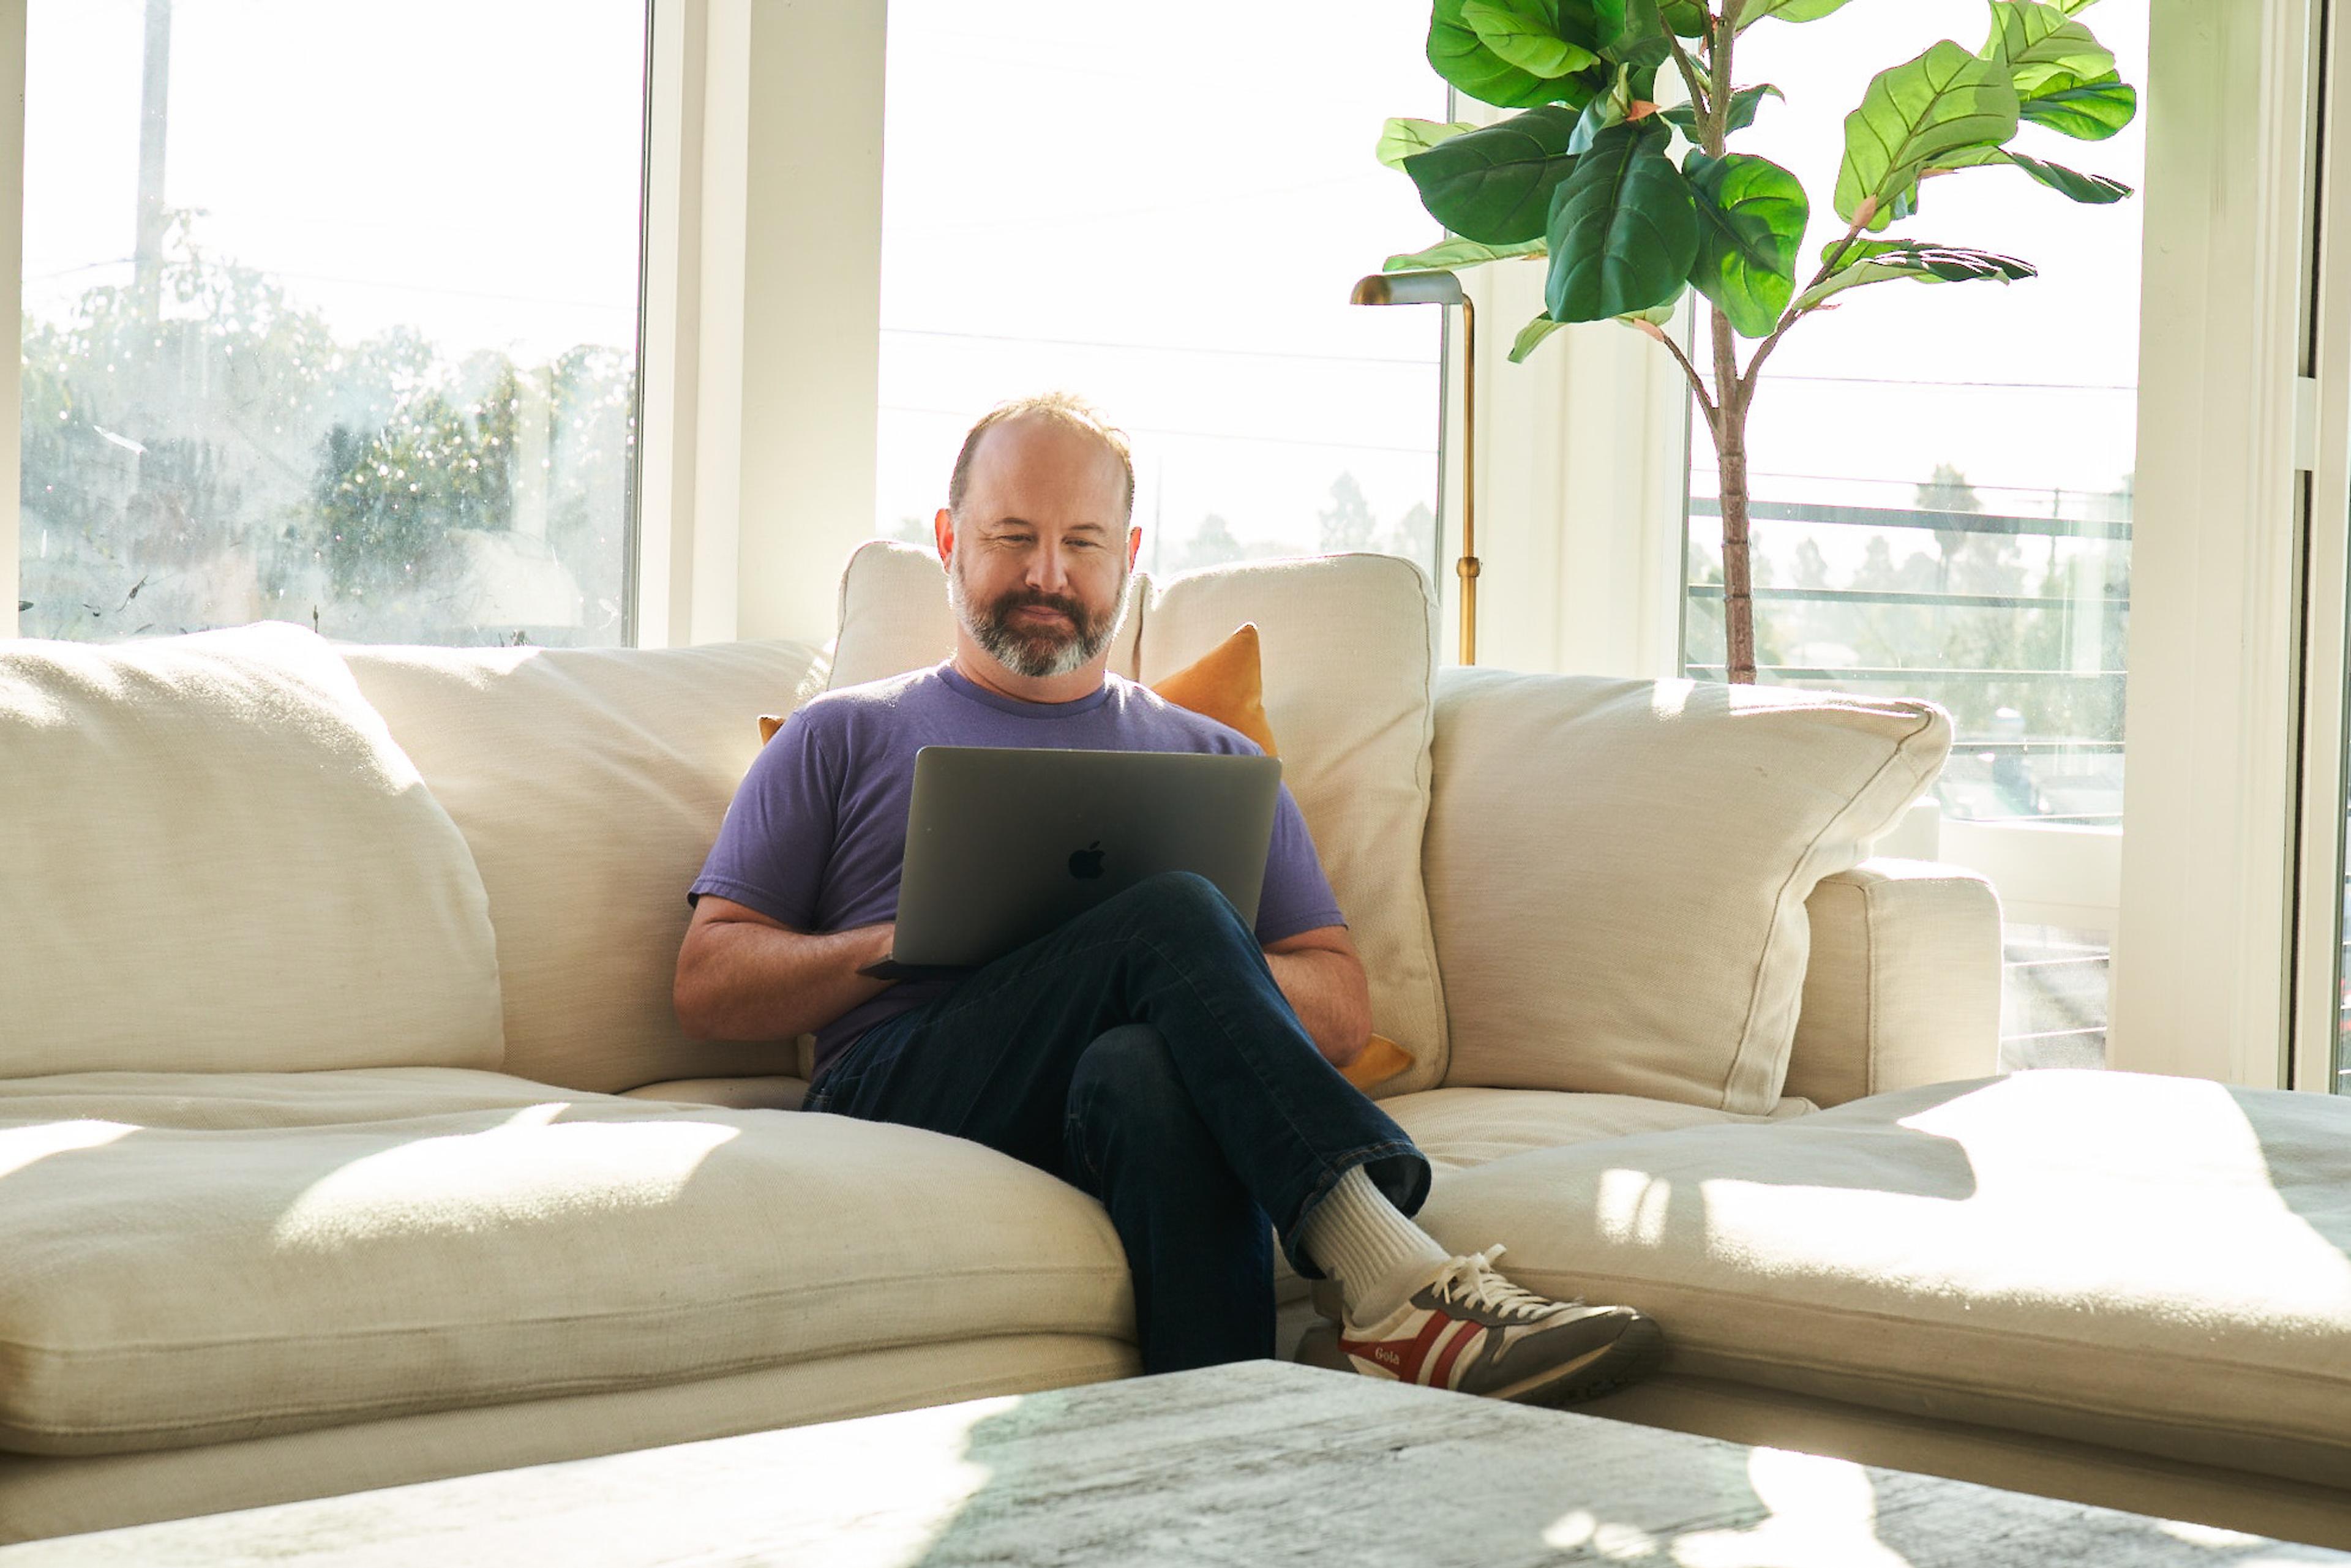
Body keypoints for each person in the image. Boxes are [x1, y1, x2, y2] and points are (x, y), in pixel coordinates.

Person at [672, 391, 1662, 1402]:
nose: (1047, 575)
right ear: (949, 541)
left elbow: (1339, 1006)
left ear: (1130, 553)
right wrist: (901, 943)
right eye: (1013, 537)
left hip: (1106, 1101)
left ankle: (1219, 1458)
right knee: (1174, 910)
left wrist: (1167, 973)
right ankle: (1392, 1277)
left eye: (1083, 543)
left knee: (1148, 1061)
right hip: (904, 1084)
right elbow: (709, 985)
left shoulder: (1214, 764)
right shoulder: (840, 735)